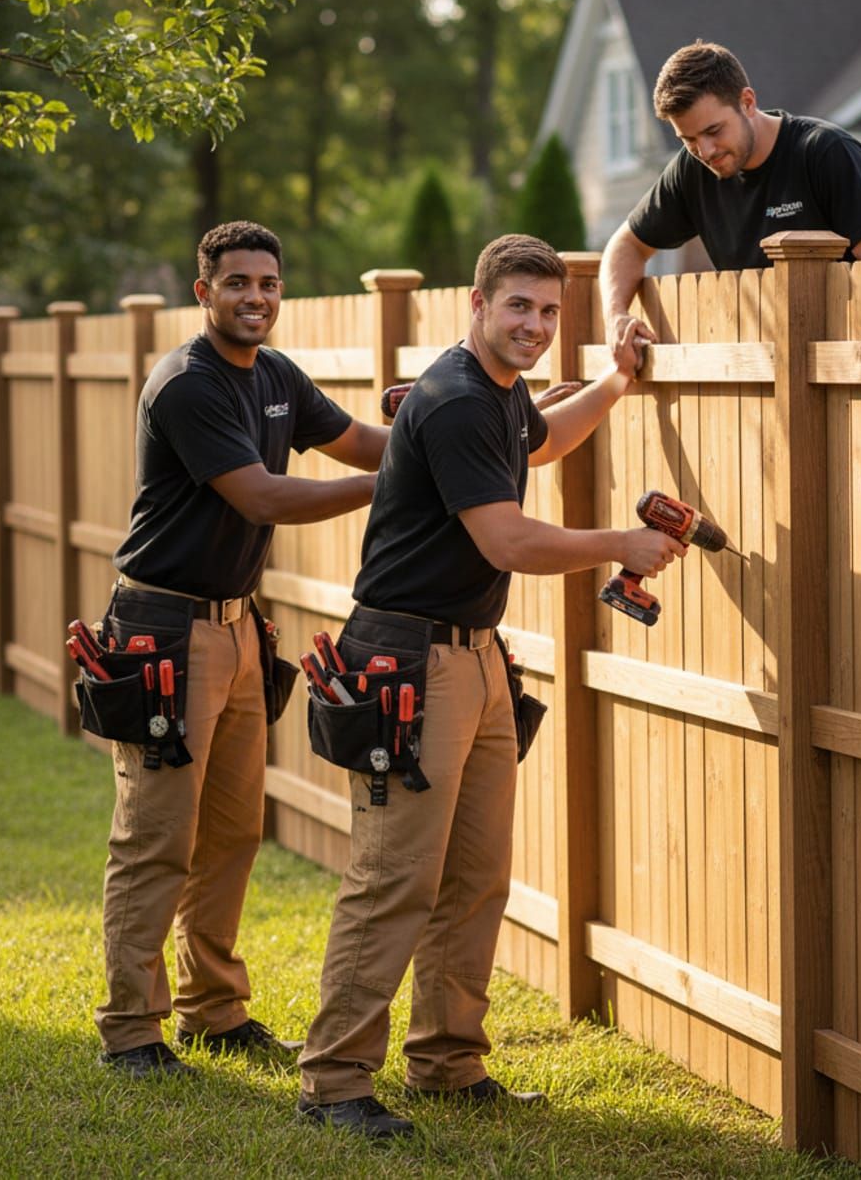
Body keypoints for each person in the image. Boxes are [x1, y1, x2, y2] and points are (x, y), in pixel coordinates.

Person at [296, 233, 685, 1138]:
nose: (536, 326)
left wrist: (617, 381)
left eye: (549, 311)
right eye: (519, 306)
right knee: (394, 877)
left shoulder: (504, 395)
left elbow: (543, 442)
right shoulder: (457, 399)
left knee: (476, 875)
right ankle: (334, 1080)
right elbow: (507, 541)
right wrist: (619, 544)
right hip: (407, 663)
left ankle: (446, 1060)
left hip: (474, 656)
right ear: (477, 304)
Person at [95, 220, 389, 1077]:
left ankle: (214, 1011)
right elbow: (261, 496)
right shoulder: (187, 384)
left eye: (268, 283)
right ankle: (131, 1029)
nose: (255, 297)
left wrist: (466, 423)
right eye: (237, 283)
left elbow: (363, 441)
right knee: (156, 836)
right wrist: (390, 486)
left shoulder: (276, 376)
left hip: (237, 629)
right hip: (161, 633)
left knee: (231, 831)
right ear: (204, 292)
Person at [600, 40, 861, 366]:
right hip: (757, 372)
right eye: (688, 140)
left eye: (714, 130)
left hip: (853, 366)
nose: (705, 151)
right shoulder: (691, 173)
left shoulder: (825, 153)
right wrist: (616, 316)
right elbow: (626, 245)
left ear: (747, 102)